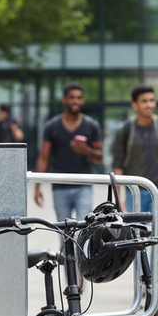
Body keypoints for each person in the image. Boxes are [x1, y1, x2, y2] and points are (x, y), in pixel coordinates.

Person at [111, 84, 158, 236]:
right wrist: (119, 197)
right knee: (135, 234)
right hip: (134, 192)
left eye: (152, 100)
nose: (149, 105)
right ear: (135, 105)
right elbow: (118, 163)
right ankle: (140, 262)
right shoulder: (124, 129)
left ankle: (155, 261)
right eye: (144, 101)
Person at [34, 82, 102, 220]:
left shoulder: (91, 126)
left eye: (79, 97)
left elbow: (99, 157)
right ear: (64, 99)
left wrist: (87, 150)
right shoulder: (52, 126)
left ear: (82, 100)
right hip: (60, 187)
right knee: (65, 233)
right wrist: (37, 187)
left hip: (84, 186)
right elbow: (43, 157)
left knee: (84, 229)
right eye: (72, 97)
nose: (75, 101)